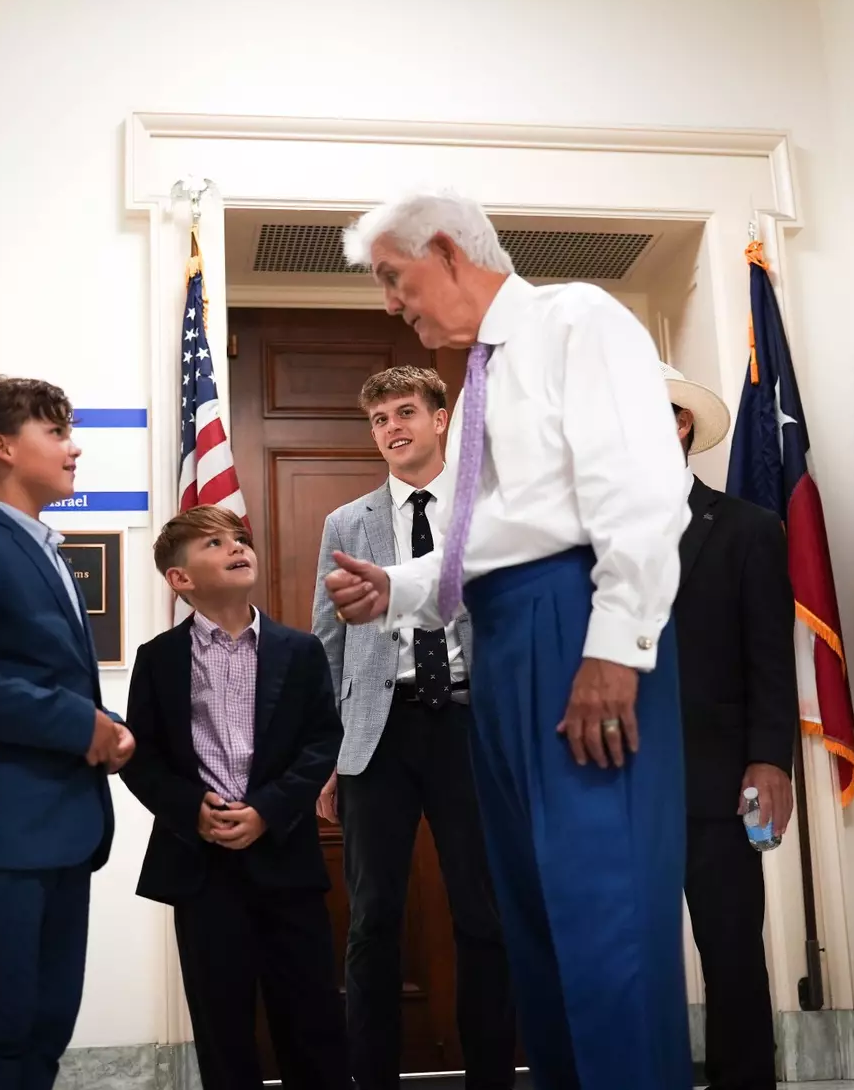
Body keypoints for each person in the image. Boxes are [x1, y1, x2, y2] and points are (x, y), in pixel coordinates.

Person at [325, 189, 695, 1089]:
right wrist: (396, 588)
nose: (390, 304)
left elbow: (641, 494)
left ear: (448, 250)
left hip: (576, 626)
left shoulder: (580, 318)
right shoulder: (482, 374)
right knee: (529, 912)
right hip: (499, 639)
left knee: (601, 906)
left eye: (393, 278)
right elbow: (474, 533)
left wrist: (613, 647)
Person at [0, 375, 136, 1090]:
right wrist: (81, 726)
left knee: (42, 1030)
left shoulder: (43, 549)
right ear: (2, 446)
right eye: (57, 432)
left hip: (60, 830)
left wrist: (107, 728)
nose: (74, 449)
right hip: (2, 831)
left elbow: (44, 677)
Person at [311, 366, 515, 1090]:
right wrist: (329, 757)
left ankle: (494, 1075)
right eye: (379, 420)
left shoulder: (487, 510)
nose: (393, 428)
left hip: (470, 726)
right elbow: (327, 647)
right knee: (371, 922)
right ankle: (372, 1080)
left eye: (405, 412)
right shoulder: (347, 522)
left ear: (438, 419)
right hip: (379, 733)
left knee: (484, 917)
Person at [120, 506, 348, 1090]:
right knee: (221, 1024)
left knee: (310, 1019)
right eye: (214, 544)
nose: (235, 547)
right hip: (202, 866)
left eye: (238, 538)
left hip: (286, 858)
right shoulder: (158, 659)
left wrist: (268, 809)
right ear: (181, 580)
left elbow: (322, 742)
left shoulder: (299, 651)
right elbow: (139, 757)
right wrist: (190, 810)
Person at [664, 364, 795, 1090]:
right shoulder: (592, 537)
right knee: (631, 961)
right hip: (621, 782)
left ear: (682, 424)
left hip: (721, 784)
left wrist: (769, 760)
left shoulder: (747, 528)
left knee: (733, 953)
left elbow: (770, 657)